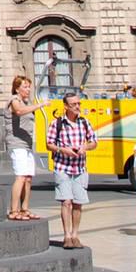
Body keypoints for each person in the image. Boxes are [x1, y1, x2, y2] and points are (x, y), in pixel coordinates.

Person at [45, 91, 97, 250]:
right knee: (66, 201)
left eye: (78, 103)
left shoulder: (85, 123)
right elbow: (49, 144)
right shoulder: (57, 123)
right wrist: (63, 150)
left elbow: (94, 142)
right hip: (63, 167)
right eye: (74, 104)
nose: (77, 107)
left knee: (78, 203)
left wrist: (84, 147)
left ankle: (75, 235)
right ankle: (67, 235)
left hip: (80, 168)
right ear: (66, 106)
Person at [6, 75, 45, 221]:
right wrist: (39, 105)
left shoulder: (25, 102)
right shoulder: (14, 100)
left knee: (28, 178)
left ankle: (24, 209)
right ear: (17, 88)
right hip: (16, 144)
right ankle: (13, 210)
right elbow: (19, 112)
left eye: (29, 86)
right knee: (21, 176)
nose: (28, 89)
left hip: (27, 144)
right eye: (25, 87)